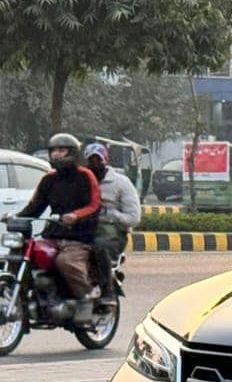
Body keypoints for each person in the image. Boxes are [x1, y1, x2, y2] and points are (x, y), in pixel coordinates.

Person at [14, 133, 101, 321]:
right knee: (31, 256)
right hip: (54, 234)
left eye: (61, 150)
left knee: (64, 261)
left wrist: (74, 216)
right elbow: (35, 206)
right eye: (53, 150)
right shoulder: (48, 179)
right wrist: (15, 218)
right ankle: (42, 298)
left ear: (72, 153)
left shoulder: (85, 176)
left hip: (79, 235)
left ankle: (86, 298)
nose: (56, 154)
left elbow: (94, 205)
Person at [83, 143, 140, 300]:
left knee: (99, 246)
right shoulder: (82, 182)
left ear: (106, 160)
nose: (95, 164)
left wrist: (109, 214)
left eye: (98, 160)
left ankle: (106, 288)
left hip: (111, 230)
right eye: (91, 160)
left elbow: (134, 218)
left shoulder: (121, 183)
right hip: (84, 228)